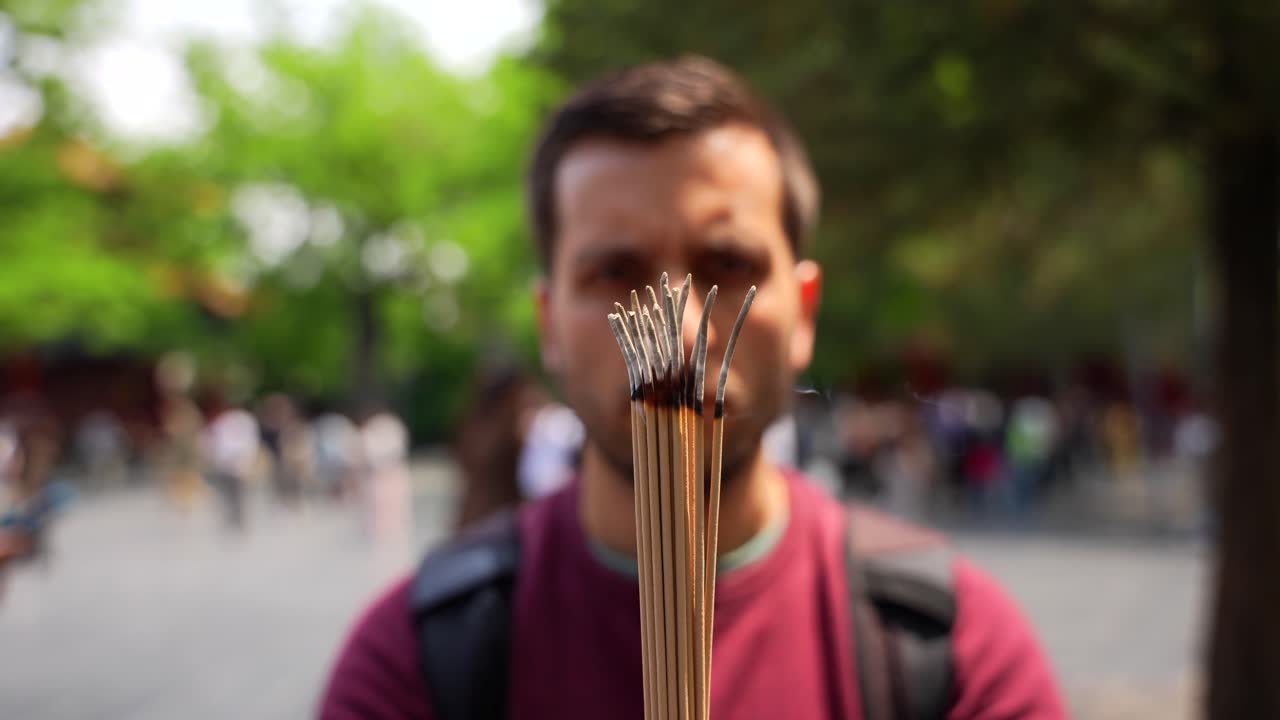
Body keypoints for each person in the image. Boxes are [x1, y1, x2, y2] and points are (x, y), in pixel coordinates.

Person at [320, 57, 1065, 719]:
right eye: (616, 272)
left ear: (803, 313)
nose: (677, 332)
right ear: (549, 323)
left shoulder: (954, 650)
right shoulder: (416, 661)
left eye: (728, 265)